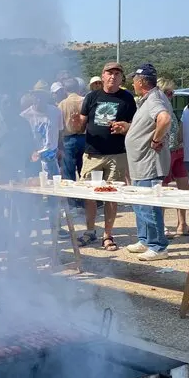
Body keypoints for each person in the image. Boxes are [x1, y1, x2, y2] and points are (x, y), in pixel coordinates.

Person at [113, 64, 171, 261]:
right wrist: (129, 127)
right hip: (140, 163)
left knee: (149, 205)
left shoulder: (154, 99)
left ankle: (159, 246)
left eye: (134, 80)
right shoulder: (148, 99)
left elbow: (164, 119)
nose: (132, 83)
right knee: (140, 203)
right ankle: (145, 239)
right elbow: (148, 124)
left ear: (141, 82)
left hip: (149, 162)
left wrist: (156, 140)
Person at [77, 62, 136, 251]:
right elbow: (81, 126)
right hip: (93, 153)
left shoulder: (127, 98)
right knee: (90, 195)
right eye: (109, 73)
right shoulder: (92, 96)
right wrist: (75, 123)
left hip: (116, 154)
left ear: (121, 78)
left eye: (117, 73)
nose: (113, 76)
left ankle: (108, 235)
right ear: (102, 76)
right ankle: (89, 231)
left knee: (112, 196)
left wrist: (125, 128)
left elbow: (133, 126)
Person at [159, 78, 189, 236]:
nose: (171, 95)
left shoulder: (168, 105)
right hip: (165, 151)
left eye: (172, 93)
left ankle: (182, 223)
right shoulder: (156, 106)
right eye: (167, 92)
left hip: (178, 150)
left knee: (183, 189)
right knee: (162, 189)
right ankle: (162, 225)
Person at [22, 87, 63, 176]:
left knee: (54, 185)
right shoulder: (25, 116)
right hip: (34, 158)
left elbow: (60, 132)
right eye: (36, 96)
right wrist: (30, 153)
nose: (39, 99)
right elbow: (22, 139)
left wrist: (60, 149)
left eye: (42, 96)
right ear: (32, 97)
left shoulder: (56, 111)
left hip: (51, 156)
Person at [58, 78, 86, 189]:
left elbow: (60, 126)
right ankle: (86, 199)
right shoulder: (84, 100)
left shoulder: (62, 104)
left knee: (68, 173)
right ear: (78, 88)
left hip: (68, 139)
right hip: (84, 138)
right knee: (84, 170)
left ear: (65, 89)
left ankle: (73, 202)